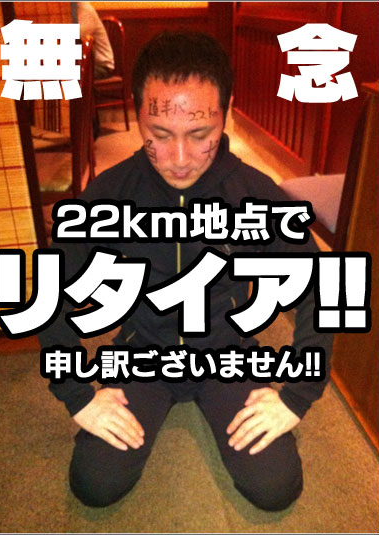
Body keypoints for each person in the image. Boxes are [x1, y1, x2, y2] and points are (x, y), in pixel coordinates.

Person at [38, 31, 333, 511]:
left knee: (276, 488)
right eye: (159, 134)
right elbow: (49, 288)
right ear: (137, 115)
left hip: (228, 354)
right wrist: (79, 397)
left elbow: (321, 285)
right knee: (93, 484)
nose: (179, 159)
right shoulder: (109, 193)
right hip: (142, 353)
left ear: (226, 113)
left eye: (199, 135)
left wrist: (295, 397)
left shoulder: (255, 193)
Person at [73, 1, 115, 80]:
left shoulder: (85, 9)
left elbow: (76, 38)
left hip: (101, 65)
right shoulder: (73, 9)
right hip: (87, 64)